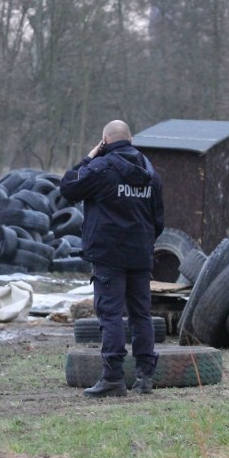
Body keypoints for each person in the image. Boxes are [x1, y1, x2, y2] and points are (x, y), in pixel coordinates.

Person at [60, 119, 164, 397]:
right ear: (129, 139)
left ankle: (113, 377)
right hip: (140, 254)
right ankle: (145, 378)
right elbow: (159, 219)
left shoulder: (100, 168)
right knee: (141, 314)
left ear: (105, 141)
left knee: (110, 315)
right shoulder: (150, 171)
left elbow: (68, 187)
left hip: (108, 254)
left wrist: (90, 155)